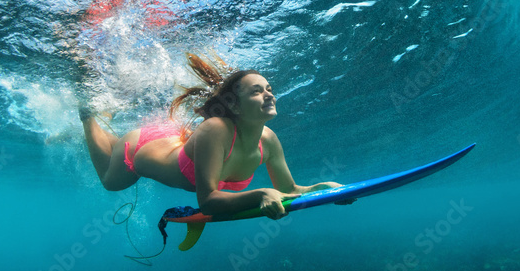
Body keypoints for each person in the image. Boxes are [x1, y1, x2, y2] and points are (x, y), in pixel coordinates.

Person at [79, 53, 342, 219]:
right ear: (235, 106)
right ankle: (88, 116)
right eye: (257, 91)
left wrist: (323, 189)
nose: (270, 95)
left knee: (113, 165)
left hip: (174, 140)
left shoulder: (269, 139)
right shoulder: (216, 129)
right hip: (140, 147)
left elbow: (290, 190)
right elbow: (208, 202)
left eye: (269, 89)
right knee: (111, 183)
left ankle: (106, 118)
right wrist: (259, 195)